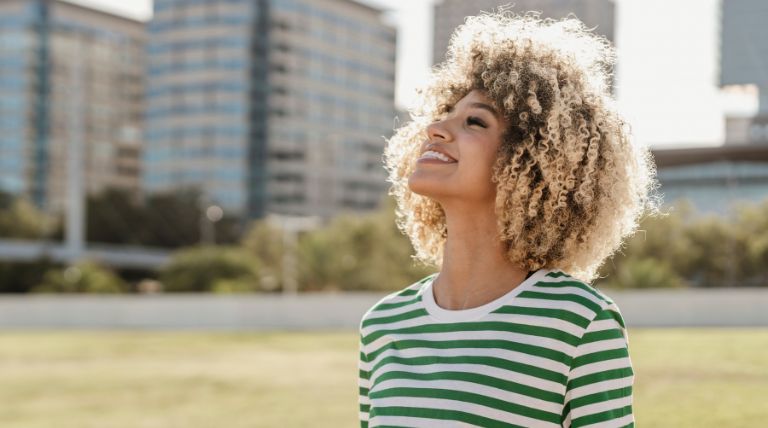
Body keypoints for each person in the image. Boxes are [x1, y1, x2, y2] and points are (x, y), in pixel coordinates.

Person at [357, 8, 658, 428]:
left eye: (474, 121)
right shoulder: (383, 324)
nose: (436, 129)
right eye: (445, 114)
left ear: (533, 160)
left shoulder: (578, 321)